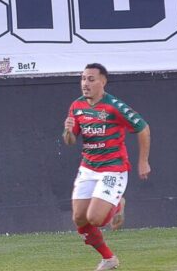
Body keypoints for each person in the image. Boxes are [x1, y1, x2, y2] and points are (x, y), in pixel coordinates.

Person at [63, 63, 151, 271]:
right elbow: (70, 141)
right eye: (83, 79)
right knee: (79, 218)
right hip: (88, 167)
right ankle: (109, 259)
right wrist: (68, 131)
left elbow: (143, 128)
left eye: (91, 79)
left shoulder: (114, 106)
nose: (85, 83)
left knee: (96, 219)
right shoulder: (77, 106)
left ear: (103, 82)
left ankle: (117, 204)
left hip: (113, 168)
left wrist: (143, 161)